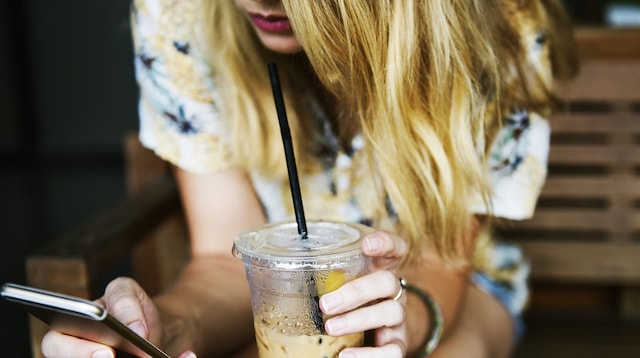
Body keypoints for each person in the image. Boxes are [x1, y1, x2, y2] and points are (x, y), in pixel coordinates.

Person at [42, 0, 578, 357]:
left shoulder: (498, 25)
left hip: (451, 285)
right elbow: (225, 266)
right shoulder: (181, 15)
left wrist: (400, 323)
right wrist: (159, 330)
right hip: (280, 302)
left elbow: (443, 261)